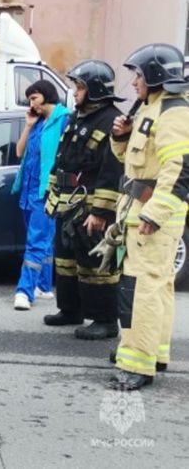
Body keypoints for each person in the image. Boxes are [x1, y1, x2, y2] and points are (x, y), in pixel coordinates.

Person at [104, 43, 189, 390]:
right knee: (156, 286)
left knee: (139, 289)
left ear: (154, 75)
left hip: (154, 216)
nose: (133, 82)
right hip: (140, 210)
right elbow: (138, 162)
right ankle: (152, 352)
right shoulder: (151, 109)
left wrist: (154, 214)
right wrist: (119, 137)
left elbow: (180, 168)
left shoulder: (173, 111)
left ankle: (136, 364)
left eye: (137, 75)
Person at [43, 60, 124, 339]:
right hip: (67, 203)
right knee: (65, 260)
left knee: (95, 266)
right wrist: (51, 195)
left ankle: (105, 320)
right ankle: (71, 309)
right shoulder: (78, 117)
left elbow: (112, 171)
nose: (74, 92)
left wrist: (100, 211)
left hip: (90, 207)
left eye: (79, 87)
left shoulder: (112, 120)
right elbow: (62, 160)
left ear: (95, 89)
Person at [11, 80, 71, 310]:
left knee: (35, 241)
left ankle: (24, 292)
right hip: (28, 190)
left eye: (34, 98)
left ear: (46, 95)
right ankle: (44, 287)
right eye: (29, 99)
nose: (31, 103)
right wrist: (28, 125)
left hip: (46, 191)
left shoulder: (63, 120)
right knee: (42, 240)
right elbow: (19, 152)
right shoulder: (37, 122)